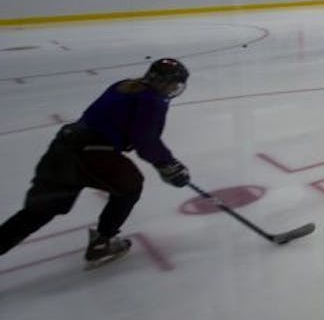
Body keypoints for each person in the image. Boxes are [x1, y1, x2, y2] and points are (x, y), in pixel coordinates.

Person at [0, 59, 192, 269]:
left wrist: (164, 165)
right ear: (164, 82)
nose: (174, 89)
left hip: (64, 146)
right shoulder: (152, 100)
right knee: (130, 186)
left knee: (37, 212)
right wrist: (169, 165)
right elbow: (146, 141)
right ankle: (102, 242)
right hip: (91, 154)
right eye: (174, 84)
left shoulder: (125, 85)